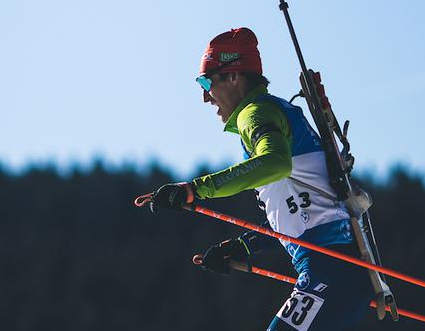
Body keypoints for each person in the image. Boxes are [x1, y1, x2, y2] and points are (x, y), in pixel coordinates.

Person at [149, 27, 374, 331]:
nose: (205, 96)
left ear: (233, 76)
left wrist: (196, 189)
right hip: (338, 275)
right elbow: (304, 214)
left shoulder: (255, 113)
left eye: (206, 81)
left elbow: (274, 163)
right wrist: (246, 246)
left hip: (330, 272)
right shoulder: (275, 111)